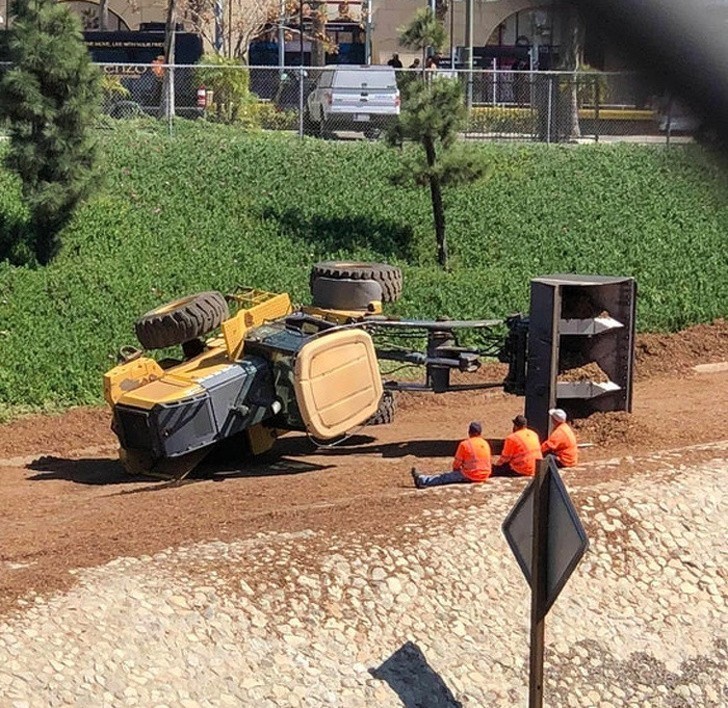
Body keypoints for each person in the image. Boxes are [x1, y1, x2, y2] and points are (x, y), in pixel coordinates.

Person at [411, 421, 491, 489]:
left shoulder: (465, 444)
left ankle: (422, 480)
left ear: (469, 432)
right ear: (480, 432)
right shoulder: (485, 443)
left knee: (444, 477)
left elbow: (456, 464)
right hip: (485, 475)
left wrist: (456, 472)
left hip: (471, 475)